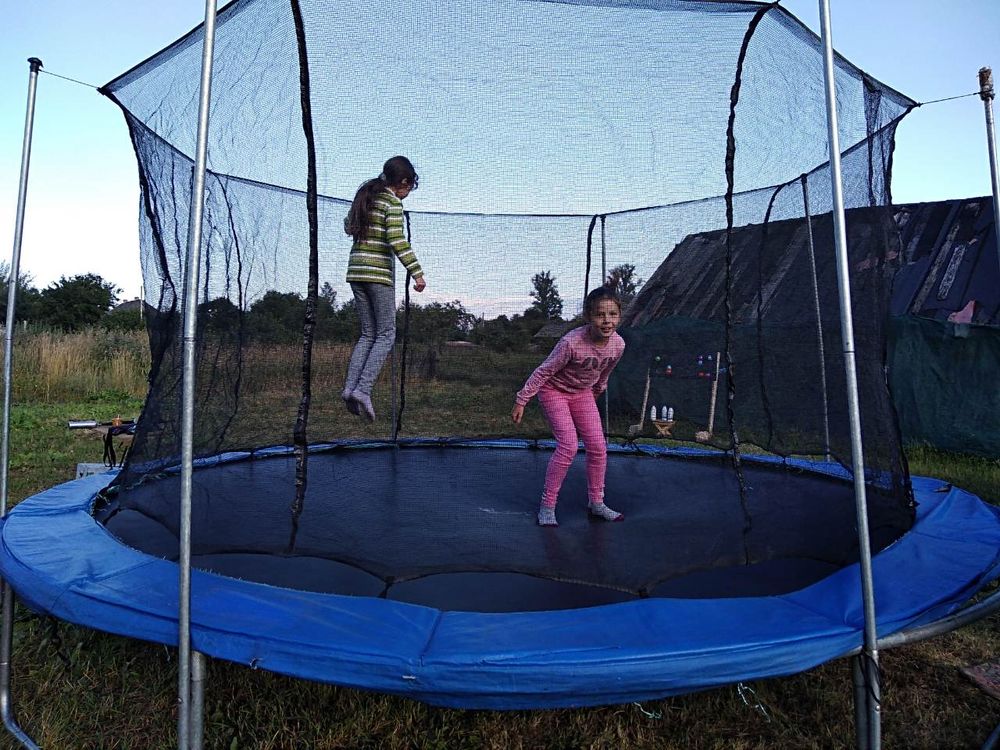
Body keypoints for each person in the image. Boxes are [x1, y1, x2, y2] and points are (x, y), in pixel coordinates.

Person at [511, 286, 626, 526]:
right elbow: (544, 371)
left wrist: (596, 392)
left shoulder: (618, 345)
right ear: (588, 316)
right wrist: (522, 399)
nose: (607, 321)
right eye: (600, 315)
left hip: (582, 393)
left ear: (619, 316)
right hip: (554, 392)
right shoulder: (571, 342)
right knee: (569, 445)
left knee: (598, 446)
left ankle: (597, 502)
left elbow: (604, 372)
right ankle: (547, 506)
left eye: (613, 314)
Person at [342, 156, 426, 421]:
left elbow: (348, 226)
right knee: (386, 334)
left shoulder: (367, 199)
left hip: (356, 272)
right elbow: (396, 239)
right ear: (404, 182)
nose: (407, 193)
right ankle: (363, 390)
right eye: (410, 188)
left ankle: (350, 389)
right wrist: (417, 272)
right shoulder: (391, 203)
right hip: (377, 274)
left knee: (368, 334)